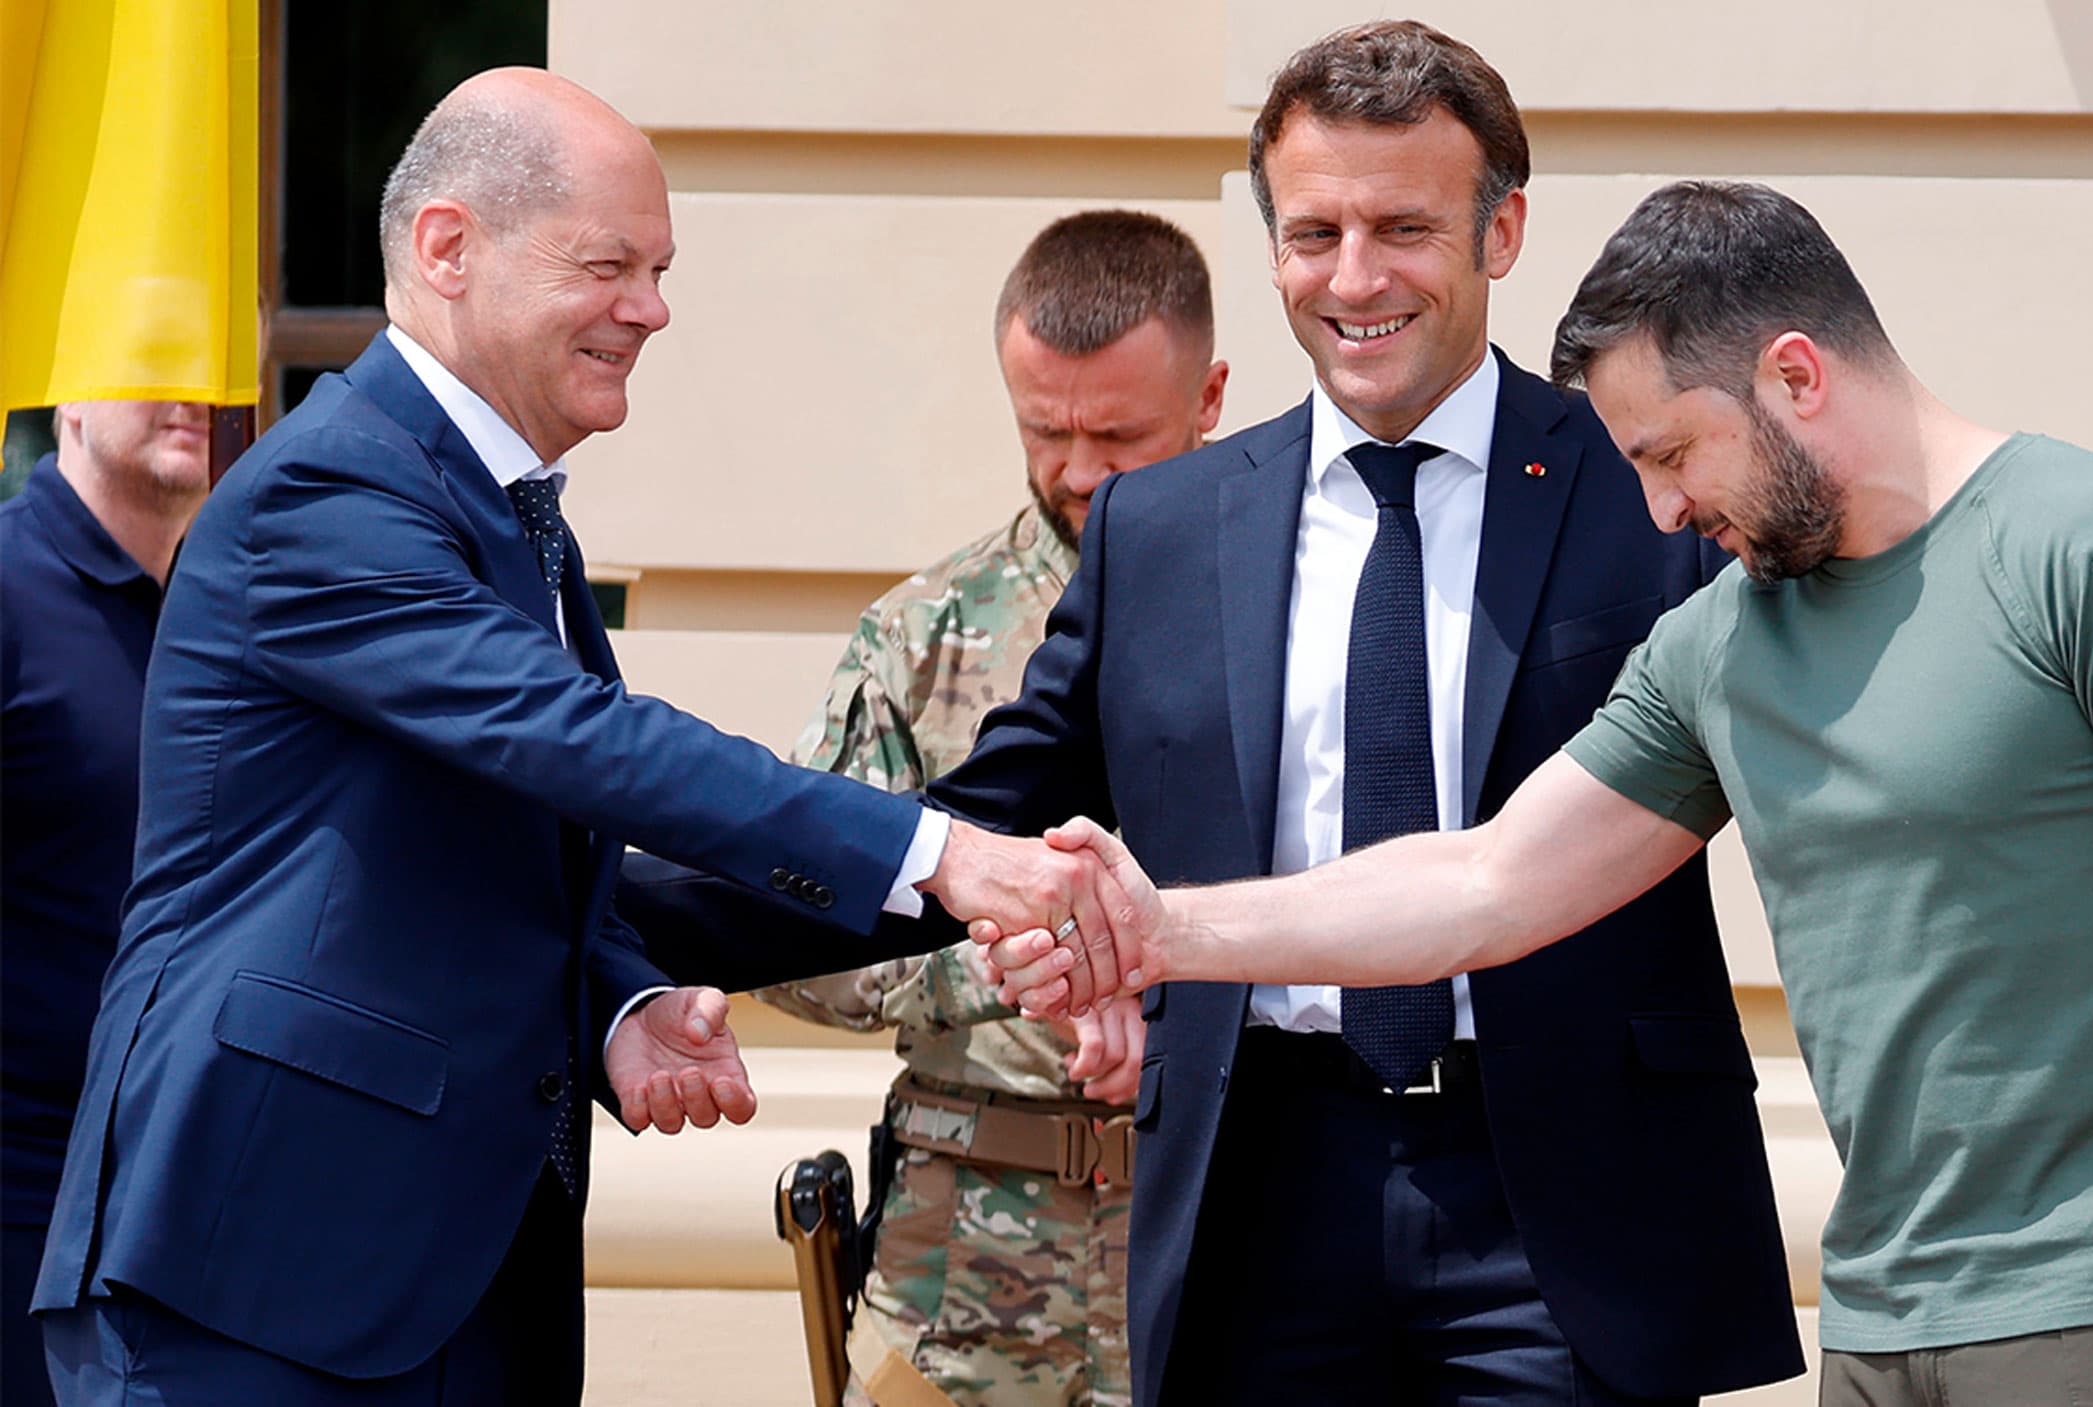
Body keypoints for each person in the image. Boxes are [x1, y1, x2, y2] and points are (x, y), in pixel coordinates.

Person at [994, 180, 2093, 1407]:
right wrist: (1168, 930)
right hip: (1881, 1311)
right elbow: (1485, 880)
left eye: (1672, 454)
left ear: (1793, 376)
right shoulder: (1725, 639)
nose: (1659, 513)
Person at [626, 22, 1803, 1406]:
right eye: (1313, 232)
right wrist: (620, 915)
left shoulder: (1647, 490)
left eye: (1402, 227)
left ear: (1503, 233)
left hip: (1570, 1209)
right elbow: (965, 834)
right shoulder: (1163, 525)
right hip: (1256, 1190)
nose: (1352, 277)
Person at [32, 68, 1118, 1406]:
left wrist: (617, 1001)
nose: (651, 309)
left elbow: (493, 835)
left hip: (443, 1279)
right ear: (447, 247)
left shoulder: (497, 509)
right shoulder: (326, 490)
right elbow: (578, 738)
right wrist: (945, 852)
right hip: (257, 1272)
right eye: (609, 265)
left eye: (658, 269)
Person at [755, 209, 1225, 1407]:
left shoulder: (1296, 621)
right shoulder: (922, 638)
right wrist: (1010, 968)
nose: (1076, 471)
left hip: (1219, 1223)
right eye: (1044, 430)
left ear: (1210, 396)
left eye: (1118, 435)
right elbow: (788, 933)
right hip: (959, 1248)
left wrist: (1172, 986)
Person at [1, 399, 213, 1405]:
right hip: (18, 1203)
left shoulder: (221, 612)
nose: (194, 395)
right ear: (70, 398)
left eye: (209, 363)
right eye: (153, 360)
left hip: (175, 1207)